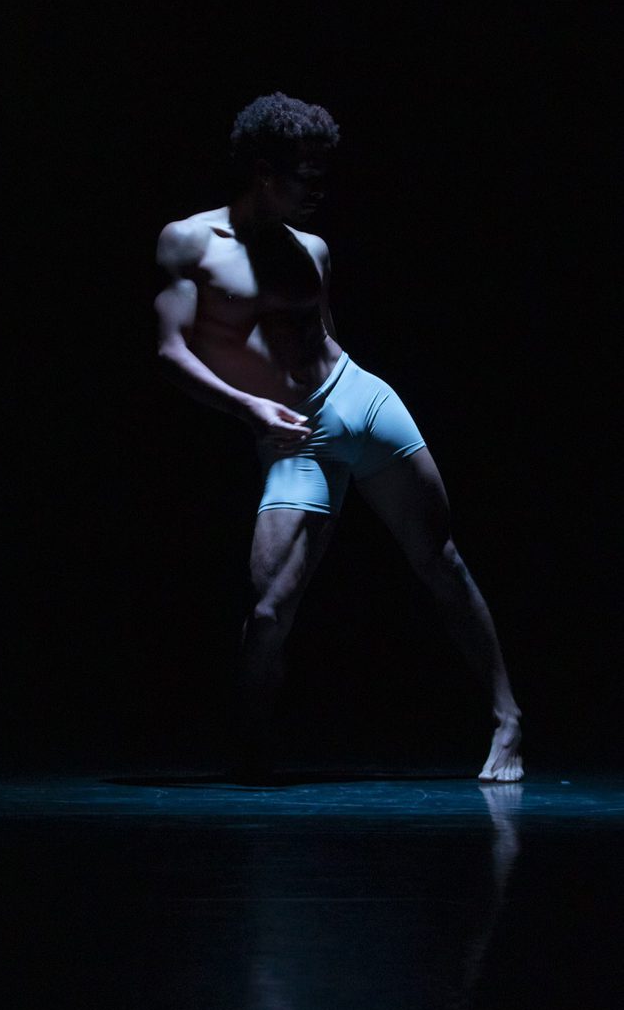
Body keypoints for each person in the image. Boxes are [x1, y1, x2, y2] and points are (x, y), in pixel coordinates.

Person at [154, 91, 523, 783]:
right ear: (264, 170)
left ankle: (508, 718)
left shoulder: (313, 249)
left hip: (361, 399)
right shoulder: (189, 242)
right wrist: (251, 412)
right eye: (307, 176)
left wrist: (350, 415)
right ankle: (255, 746)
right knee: (267, 613)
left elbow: (323, 341)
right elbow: (170, 352)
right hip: (295, 435)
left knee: (441, 560)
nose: (320, 190)